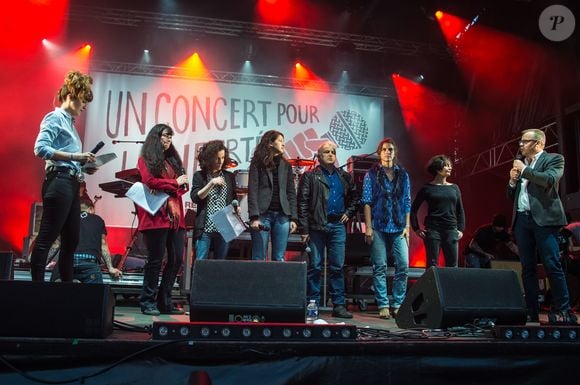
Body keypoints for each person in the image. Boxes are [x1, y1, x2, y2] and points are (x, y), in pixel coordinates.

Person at [30, 70, 98, 282]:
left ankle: (66, 289)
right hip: (58, 182)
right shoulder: (55, 117)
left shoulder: (70, 124)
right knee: (47, 238)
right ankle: (36, 290)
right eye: (84, 99)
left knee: (71, 239)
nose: (85, 105)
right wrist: (76, 156)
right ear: (72, 95)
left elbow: (68, 160)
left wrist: (83, 166)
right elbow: (40, 148)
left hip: (70, 182)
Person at [508, 128, 576, 323]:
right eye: (520, 141)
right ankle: (531, 310)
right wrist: (512, 182)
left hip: (545, 219)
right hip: (522, 219)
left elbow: (549, 181)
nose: (520, 145)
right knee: (527, 267)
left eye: (524, 141)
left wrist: (524, 170)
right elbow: (510, 196)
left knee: (552, 264)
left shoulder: (554, 159)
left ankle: (563, 310)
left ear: (538, 143)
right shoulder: (522, 165)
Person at [297, 141, 358, 319]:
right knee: (315, 267)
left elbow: (355, 198)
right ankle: (313, 305)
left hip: (338, 225)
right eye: (326, 152)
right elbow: (302, 203)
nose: (331, 154)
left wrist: (349, 212)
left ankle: (338, 305)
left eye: (333, 151)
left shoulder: (344, 176)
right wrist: (304, 229)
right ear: (319, 155)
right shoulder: (310, 176)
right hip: (316, 226)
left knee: (337, 267)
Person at [136, 123, 189, 315]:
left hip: (176, 217)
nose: (168, 140)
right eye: (165, 136)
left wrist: (168, 185)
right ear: (155, 137)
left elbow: (185, 186)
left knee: (176, 260)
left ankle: (164, 301)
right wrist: (174, 183)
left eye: (171, 137)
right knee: (155, 260)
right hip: (157, 216)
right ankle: (147, 301)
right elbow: (150, 181)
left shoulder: (173, 160)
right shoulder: (146, 159)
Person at [361, 138, 411, 319]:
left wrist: (407, 225)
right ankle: (383, 304)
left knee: (403, 265)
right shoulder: (371, 174)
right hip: (378, 226)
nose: (388, 152)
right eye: (384, 149)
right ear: (379, 153)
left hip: (398, 226)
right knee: (380, 266)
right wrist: (368, 226)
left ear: (395, 152)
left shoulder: (403, 174)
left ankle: (397, 303)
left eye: (390, 149)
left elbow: (407, 201)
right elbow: (366, 202)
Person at [247, 130, 298, 261]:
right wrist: (254, 217)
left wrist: (293, 218)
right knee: (259, 257)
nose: (283, 144)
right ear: (270, 143)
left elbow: (291, 192)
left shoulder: (286, 165)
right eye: (280, 141)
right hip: (263, 215)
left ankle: (277, 282)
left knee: (279, 257)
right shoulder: (258, 163)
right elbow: (252, 190)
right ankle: (258, 282)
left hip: (282, 216)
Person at [49, 199, 123, 283]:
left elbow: (56, 244)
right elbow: (103, 245)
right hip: (89, 265)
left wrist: (42, 263)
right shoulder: (98, 220)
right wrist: (110, 268)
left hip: (67, 262)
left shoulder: (66, 218)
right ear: (91, 209)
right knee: (94, 295)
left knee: (55, 294)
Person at [411, 154, 465, 268]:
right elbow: (413, 210)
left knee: (452, 266)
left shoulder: (454, 188)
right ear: (437, 168)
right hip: (433, 230)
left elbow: (460, 210)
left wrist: (461, 229)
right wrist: (416, 229)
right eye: (446, 165)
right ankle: (431, 286)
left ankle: (450, 286)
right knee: (432, 265)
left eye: (450, 165)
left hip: (451, 230)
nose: (450, 168)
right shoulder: (427, 188)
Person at [190, 140, 238, 260]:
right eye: (217, 158)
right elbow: (196, 197)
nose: (220, 161)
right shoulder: (200, 176)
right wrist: (211, 183)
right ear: (209, 158)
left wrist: (236, 207)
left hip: (224, 224)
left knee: (220, 263)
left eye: (222, 158)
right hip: (206, 225)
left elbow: (233, 197)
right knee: (200, 261)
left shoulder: (229, 176)